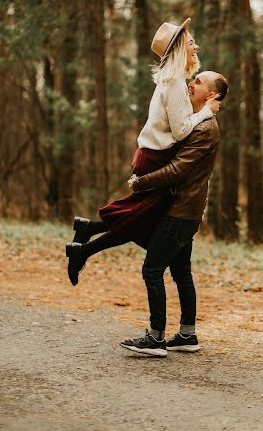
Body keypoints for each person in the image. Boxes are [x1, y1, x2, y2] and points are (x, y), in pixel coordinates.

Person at [66, 18, 220, 285]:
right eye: (191, 42)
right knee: (140, 220)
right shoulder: (173, 84)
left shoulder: (177, 82)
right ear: (180, 49)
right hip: (154, 159)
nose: (196, 46)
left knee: (139, 217)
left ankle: (87, 233)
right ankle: (85, 243)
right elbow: (182, 131)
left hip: (153, 155)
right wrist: (206, 112)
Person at [120, 70, 228, 357]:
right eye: (193, 79)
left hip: (180, 211)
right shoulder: (197, 122)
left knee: (152, 270)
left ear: (212, 95)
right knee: (181, 273)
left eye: (199, 82)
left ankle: (155, 338)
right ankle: (187, 335)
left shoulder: (205, 129)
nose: (191, 82)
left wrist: (141, 182)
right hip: (186, 209)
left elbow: (178, 169)